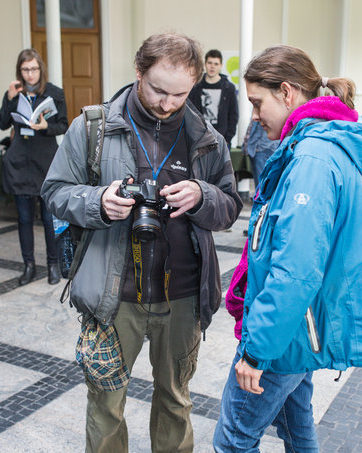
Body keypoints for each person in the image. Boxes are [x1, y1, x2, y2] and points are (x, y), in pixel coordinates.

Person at [42, 33, 242, 453]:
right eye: (158, 90)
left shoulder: (207, 137)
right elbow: (55, 192)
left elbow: (229, 207)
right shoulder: (92, 127)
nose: (168, 104)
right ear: (138, 72)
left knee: (175, 401)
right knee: (106, 406)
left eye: (180, 94)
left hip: (183, 297)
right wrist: (98, 201)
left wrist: (201, 196)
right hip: (114, 298)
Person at [213, 45, 362, 452]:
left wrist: (256, 351)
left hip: (286, 334)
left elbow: (295, 269)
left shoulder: (311, 158)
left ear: (287, 93)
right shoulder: (319, 146)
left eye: (258, 103)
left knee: (233, 439)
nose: (255, 116)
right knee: (296, 427)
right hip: (299, 327)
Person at [0, 49, 67, 286]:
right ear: (20, 71)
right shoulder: (15, 92)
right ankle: (28, 266)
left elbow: (64, 125)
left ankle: (53, 265)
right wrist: (8, 99)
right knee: (24, 218)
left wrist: (45, 126)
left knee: (49, 218)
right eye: (25, 70)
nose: (30, 74)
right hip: (19, 161)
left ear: (41, 69)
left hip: (45, 160)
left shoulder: (54, 93)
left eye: (34, 69)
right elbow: (2, 123)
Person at [188, 49, 239, 146]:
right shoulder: (195, 86)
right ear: (205, 64)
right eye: (210, 63)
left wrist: (227, 138)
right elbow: (189, 112)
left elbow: (233, 115)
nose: (212, 66)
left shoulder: (229, 88)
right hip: (199, 139)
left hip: (221, 140)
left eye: (216, 64)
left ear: (221, 66)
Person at [242, 119, 279, 187]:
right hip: (257, 149)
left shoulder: (268, 111)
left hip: (263, 149)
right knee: (261, 184)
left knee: (262, 185)